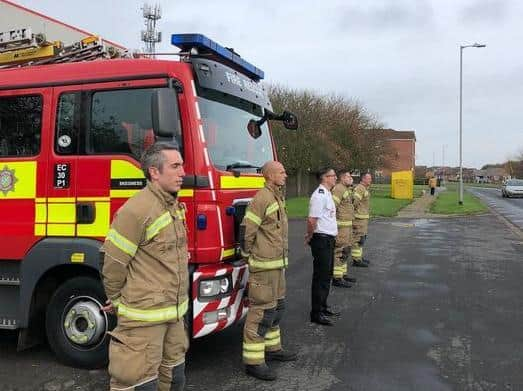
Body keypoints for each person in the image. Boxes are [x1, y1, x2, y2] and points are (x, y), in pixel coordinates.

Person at [101, 142, 188, 391]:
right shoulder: (136, 210)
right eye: (175, 166)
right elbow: (114, 263)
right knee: (138, 383)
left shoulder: (174, 206)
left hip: (173, 316)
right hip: (142, 322)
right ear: (154, 172)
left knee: (174, 379)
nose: (183, 172)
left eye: (182, 165)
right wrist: (117, 300)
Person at [240, 161, 297, 381]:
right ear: (270, 175)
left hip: (276, 265)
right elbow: (247, 230)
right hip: (264, 267)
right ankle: (253, 362)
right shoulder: (262, 198)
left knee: (276, 308)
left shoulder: (276, 196)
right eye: (282, 172)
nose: (285, 175)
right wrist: (248, 256)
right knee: (261, 312)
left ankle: (273, 349)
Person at [306, 167, 339, 326]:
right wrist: (310, 235)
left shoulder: (327, 194)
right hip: (321, 239)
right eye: (332, 176)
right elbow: (312, 220)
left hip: (329, 239)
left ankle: (323, 306)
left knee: (327, 275)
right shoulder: (319, 195)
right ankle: (316, 313)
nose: (335, 178)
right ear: (324, 177)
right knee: (320, 277)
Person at [331, 170, 356, 287]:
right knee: (339, 251)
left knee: (346, 250)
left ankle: (343, 274)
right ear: (342, 178)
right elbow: (332, 207)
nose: (351, 178)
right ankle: (337, 278)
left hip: (348, 226)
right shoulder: (338, 189)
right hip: (341, 227)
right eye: (348, 176)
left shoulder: (346, 189)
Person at [352, 173, 372, 268]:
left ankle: (359, 257)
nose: (370, 180)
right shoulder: (360, 188)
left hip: (362, 218)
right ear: (363, 179)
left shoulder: (364, 188)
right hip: (359, 219)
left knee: (362, 239)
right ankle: (356, 260)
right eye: (369, 178)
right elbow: (354, 202)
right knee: (358, 239)